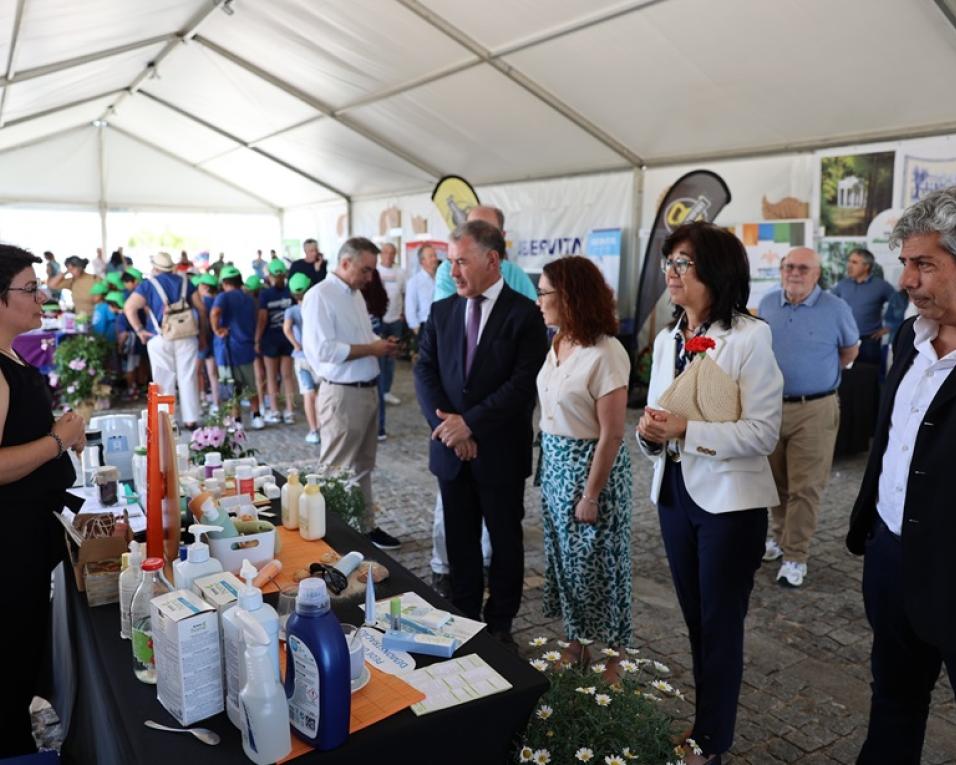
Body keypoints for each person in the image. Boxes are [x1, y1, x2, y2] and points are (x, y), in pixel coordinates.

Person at [637, 221, 783, 765]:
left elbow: (763, 433)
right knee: (697, 621)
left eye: (683, 263)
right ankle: (706, 722)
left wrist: (686, 432)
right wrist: (650, 434)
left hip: (730, 506)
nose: (672, 274)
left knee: (721, 625)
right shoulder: (668, 337)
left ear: (716, 272)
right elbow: (656, 415)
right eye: (669, 263)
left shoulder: (750, 337)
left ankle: (711, 741)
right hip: (675, 494)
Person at [846, 187, 956, 765]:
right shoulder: (912, 346)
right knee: (893, 701)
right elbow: (891, 446)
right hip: (891, 559)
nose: (908, 281)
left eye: (925, 264)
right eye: (905, 263)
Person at [414, 219, 548, 646]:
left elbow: (523, 383)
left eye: (461, 262)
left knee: (505, 542)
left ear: (492, 260)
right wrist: (450, 429)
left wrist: (469, 423)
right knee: (459, 539)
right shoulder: (442, 310)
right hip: (451, 451)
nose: (452, 272)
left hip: (500, 452)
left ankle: (501, 622)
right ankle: (465, 613)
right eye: (450, 262)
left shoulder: (525, 315)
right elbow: (424, 374)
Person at [0, 245, 86, 757]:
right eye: (29, 289)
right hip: (8, 546)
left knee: (20, 653)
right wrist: (57, 438)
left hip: (25, 537)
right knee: (9, 657)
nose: (41, 296)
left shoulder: (11, 356)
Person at [535, 256, 632, 677]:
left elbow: (612, 434)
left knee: (603, 562)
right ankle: (576, 642)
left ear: (569, 296)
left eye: (544, 293)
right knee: (564, 561)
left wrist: (590, 494)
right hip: (556, 465)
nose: (538, 301)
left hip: (590, 469)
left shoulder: (606, 352)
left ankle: (616, 653)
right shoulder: (558, 341)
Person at [757, 248, 859, 587]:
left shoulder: (836, 307)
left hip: (816, 408)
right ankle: (778, 536)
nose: (795, 272)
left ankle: (795, 556)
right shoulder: (768, 303)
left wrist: (820, 373)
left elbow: (850, 351)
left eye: (803, 267)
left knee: (806, 487)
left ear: (817, 274)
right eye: (789, 266)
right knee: (775, 482)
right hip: (770, 407)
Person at [301, 237, 402, 549]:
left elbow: (361, 334)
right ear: (345, 263)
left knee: (362, 466)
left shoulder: (354, 294)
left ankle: (364, 527)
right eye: (366, 270)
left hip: (366, 389)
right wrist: (370, 348)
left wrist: (379, 345)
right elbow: (322, 350)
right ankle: (327, 536)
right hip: (342, 394)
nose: (370, 277)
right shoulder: (320, 295)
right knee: (334, 469)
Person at [124, 252, 207, 428]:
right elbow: (201, 309)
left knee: (163, 379)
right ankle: (191, 419)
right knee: (188, 376)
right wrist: (202, 334)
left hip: (159, 336)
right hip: (187, 335)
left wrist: (140, 330)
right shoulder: (185, 282)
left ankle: (167, 421)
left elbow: (129, 307)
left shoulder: (148, 285)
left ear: (155, 267)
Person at [433, 205, 537, 301]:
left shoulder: (515, 274)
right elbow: (446, 316)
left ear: (502, 236)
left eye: (485, 232)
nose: (475, 238)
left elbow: (533, 314)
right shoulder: (448, 271)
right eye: (470, 229)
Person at [211, 266, 263, 429]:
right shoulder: (249, 299)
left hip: (227, 349)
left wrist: (216, 330)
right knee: (250, 385)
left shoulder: (223, 297)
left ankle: (237, 420)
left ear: (224, 282)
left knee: (231, 386)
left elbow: (215, 313)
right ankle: (256, 416)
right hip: (246, 347)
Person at [832, 248, 896, 365]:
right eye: (849, 261)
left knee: (869, 378)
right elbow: (829, 307)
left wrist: (889, 327)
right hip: (845, 341)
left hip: (870, 342)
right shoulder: (842, 285)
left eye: (854, 262)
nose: (849, 265)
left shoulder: (881, 286)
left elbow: (900, 305)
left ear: (866, 266)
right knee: (845, 379)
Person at [256, 259, 296, 424]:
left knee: (271, 376)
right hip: (287, 337)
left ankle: (274, 410)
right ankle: (290, 411)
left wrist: (256, 339)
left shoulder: (265, 294)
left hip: (270, 338)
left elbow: (263, 318)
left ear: (270, 276)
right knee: (287, 376)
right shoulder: (290, 292)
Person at [283, 273, 320, 444]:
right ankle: (323, 427)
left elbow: (287, 328)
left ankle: (313, 430)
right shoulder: (317, 307)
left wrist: (296, 344)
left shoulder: (291, 310)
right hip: (318, 358)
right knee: (320, 395)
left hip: (302, 358)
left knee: (308, 394)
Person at [361, 266, 390, 440]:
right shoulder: (377, 295)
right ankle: (380, 427)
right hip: (377, 337)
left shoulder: (356, 299)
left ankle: (375, 427)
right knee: (379, 383)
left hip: (368, 343)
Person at [377, 243, 406, 407]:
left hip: (395, 320)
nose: (389, 256)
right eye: (386, 252)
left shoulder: (400, 272)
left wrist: (403, 313)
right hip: (380, 321)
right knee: (379, 358)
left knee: (391, 358)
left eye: (392, 253)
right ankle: (379, 390)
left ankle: (387, 391)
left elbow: (404, 294)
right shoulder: (376, 272)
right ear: (381, 254)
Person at [196, 273, 221, 414]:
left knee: (195, 373)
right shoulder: (218, 300)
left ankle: (199, 402)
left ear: (204, 287)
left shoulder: (201, 302)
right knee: (213, 374)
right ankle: (216, 404)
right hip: (214, 341)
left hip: (201, 341)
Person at [405, 244, 439, 334]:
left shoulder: (441, 279)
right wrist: (418, 330)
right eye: (431, 256)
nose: (435, 259)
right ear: (422, 261)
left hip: (441, 326)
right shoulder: (414, 282)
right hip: (425, 327)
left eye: (435, 255)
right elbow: (410, 309)